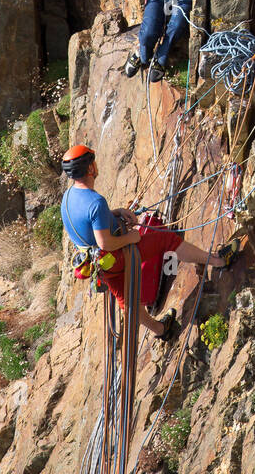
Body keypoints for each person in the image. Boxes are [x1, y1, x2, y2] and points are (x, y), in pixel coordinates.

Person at [59, 144, 234, 339]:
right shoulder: (95, 202)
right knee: (165, 240)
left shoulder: (68, 198)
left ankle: (161, 330)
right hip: (113, 255)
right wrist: (131, 237)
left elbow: (87, 224)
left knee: (127, 301)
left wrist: (115, 213)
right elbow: (105, 243)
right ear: (90, 168)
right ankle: (217, 260)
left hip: (99, 265)